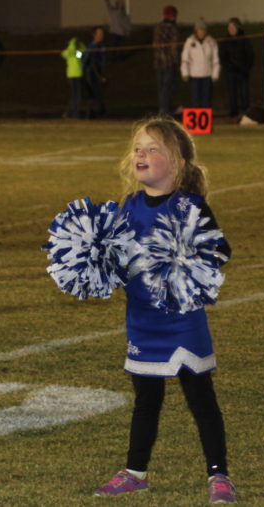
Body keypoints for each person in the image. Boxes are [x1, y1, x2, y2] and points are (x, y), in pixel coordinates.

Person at [92, 118, 237, 504]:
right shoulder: (130, 205)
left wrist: (183, 258)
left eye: (153, 149)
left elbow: (220, 251)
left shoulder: (190, 206)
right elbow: (121, 258)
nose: (141, 154)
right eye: (138, 148)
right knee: (146, 399)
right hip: (142, 320)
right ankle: (135, 472)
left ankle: (219, 474)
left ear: (176, 164)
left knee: (200, 397)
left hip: (182, 320)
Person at [218, 18, 254, 119]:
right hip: (231, 72)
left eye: (233, 27)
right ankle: (233, 114)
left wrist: (245, 68)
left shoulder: (245, 40)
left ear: (238, 27)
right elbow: (222, 57)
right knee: (232, 94)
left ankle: (246, 114)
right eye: (229, 27)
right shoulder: (225, 41)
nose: (231, 29)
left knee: (244, 93)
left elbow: (250, 56)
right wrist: (229, 66)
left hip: (243, 71)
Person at [180, 18, 219, 109]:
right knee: (195, 100)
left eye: (203, 29)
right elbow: (185, 59)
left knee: (206, 100)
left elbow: (215, 59)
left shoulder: (211, 42)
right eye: (199, 29)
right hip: (194, 76)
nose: (201, 32)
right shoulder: (189, 41)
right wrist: (185, 73)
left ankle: (206, 121)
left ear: (206, 31)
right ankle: (196, 122)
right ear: (196, 30)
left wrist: (215, 74)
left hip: (207, 75)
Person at [152, 5, 179, 116]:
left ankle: (163, 109)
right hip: (168, 63)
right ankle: (164, 110)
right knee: (167, 87)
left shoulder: (158, 27)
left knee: (162, 87)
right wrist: (175, 60)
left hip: (159, 62)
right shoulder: (172, 28)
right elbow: (173, 47)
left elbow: (155, 45)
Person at [83, 26, 108, 119]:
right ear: (94, 35)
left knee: (96, 93)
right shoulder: (93, 47)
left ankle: (94, 113)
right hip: (91, 73)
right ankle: (93, 114)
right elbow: (92, 63)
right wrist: (99, 76)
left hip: (96, 72)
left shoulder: (101, 46)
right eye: (99, 34)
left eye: (102, 34)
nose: (102, 36)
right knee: (94, 93)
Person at [61, 36, 84, 119]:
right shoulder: (69, 50)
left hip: (76, 74)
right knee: (76, 96)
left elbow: (80, 56)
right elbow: (64, 55)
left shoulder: (78, 50)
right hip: (72, 75)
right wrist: (72, 46)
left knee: (76, 96)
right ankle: (73, 114)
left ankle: (71, 113)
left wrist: (76, 48)